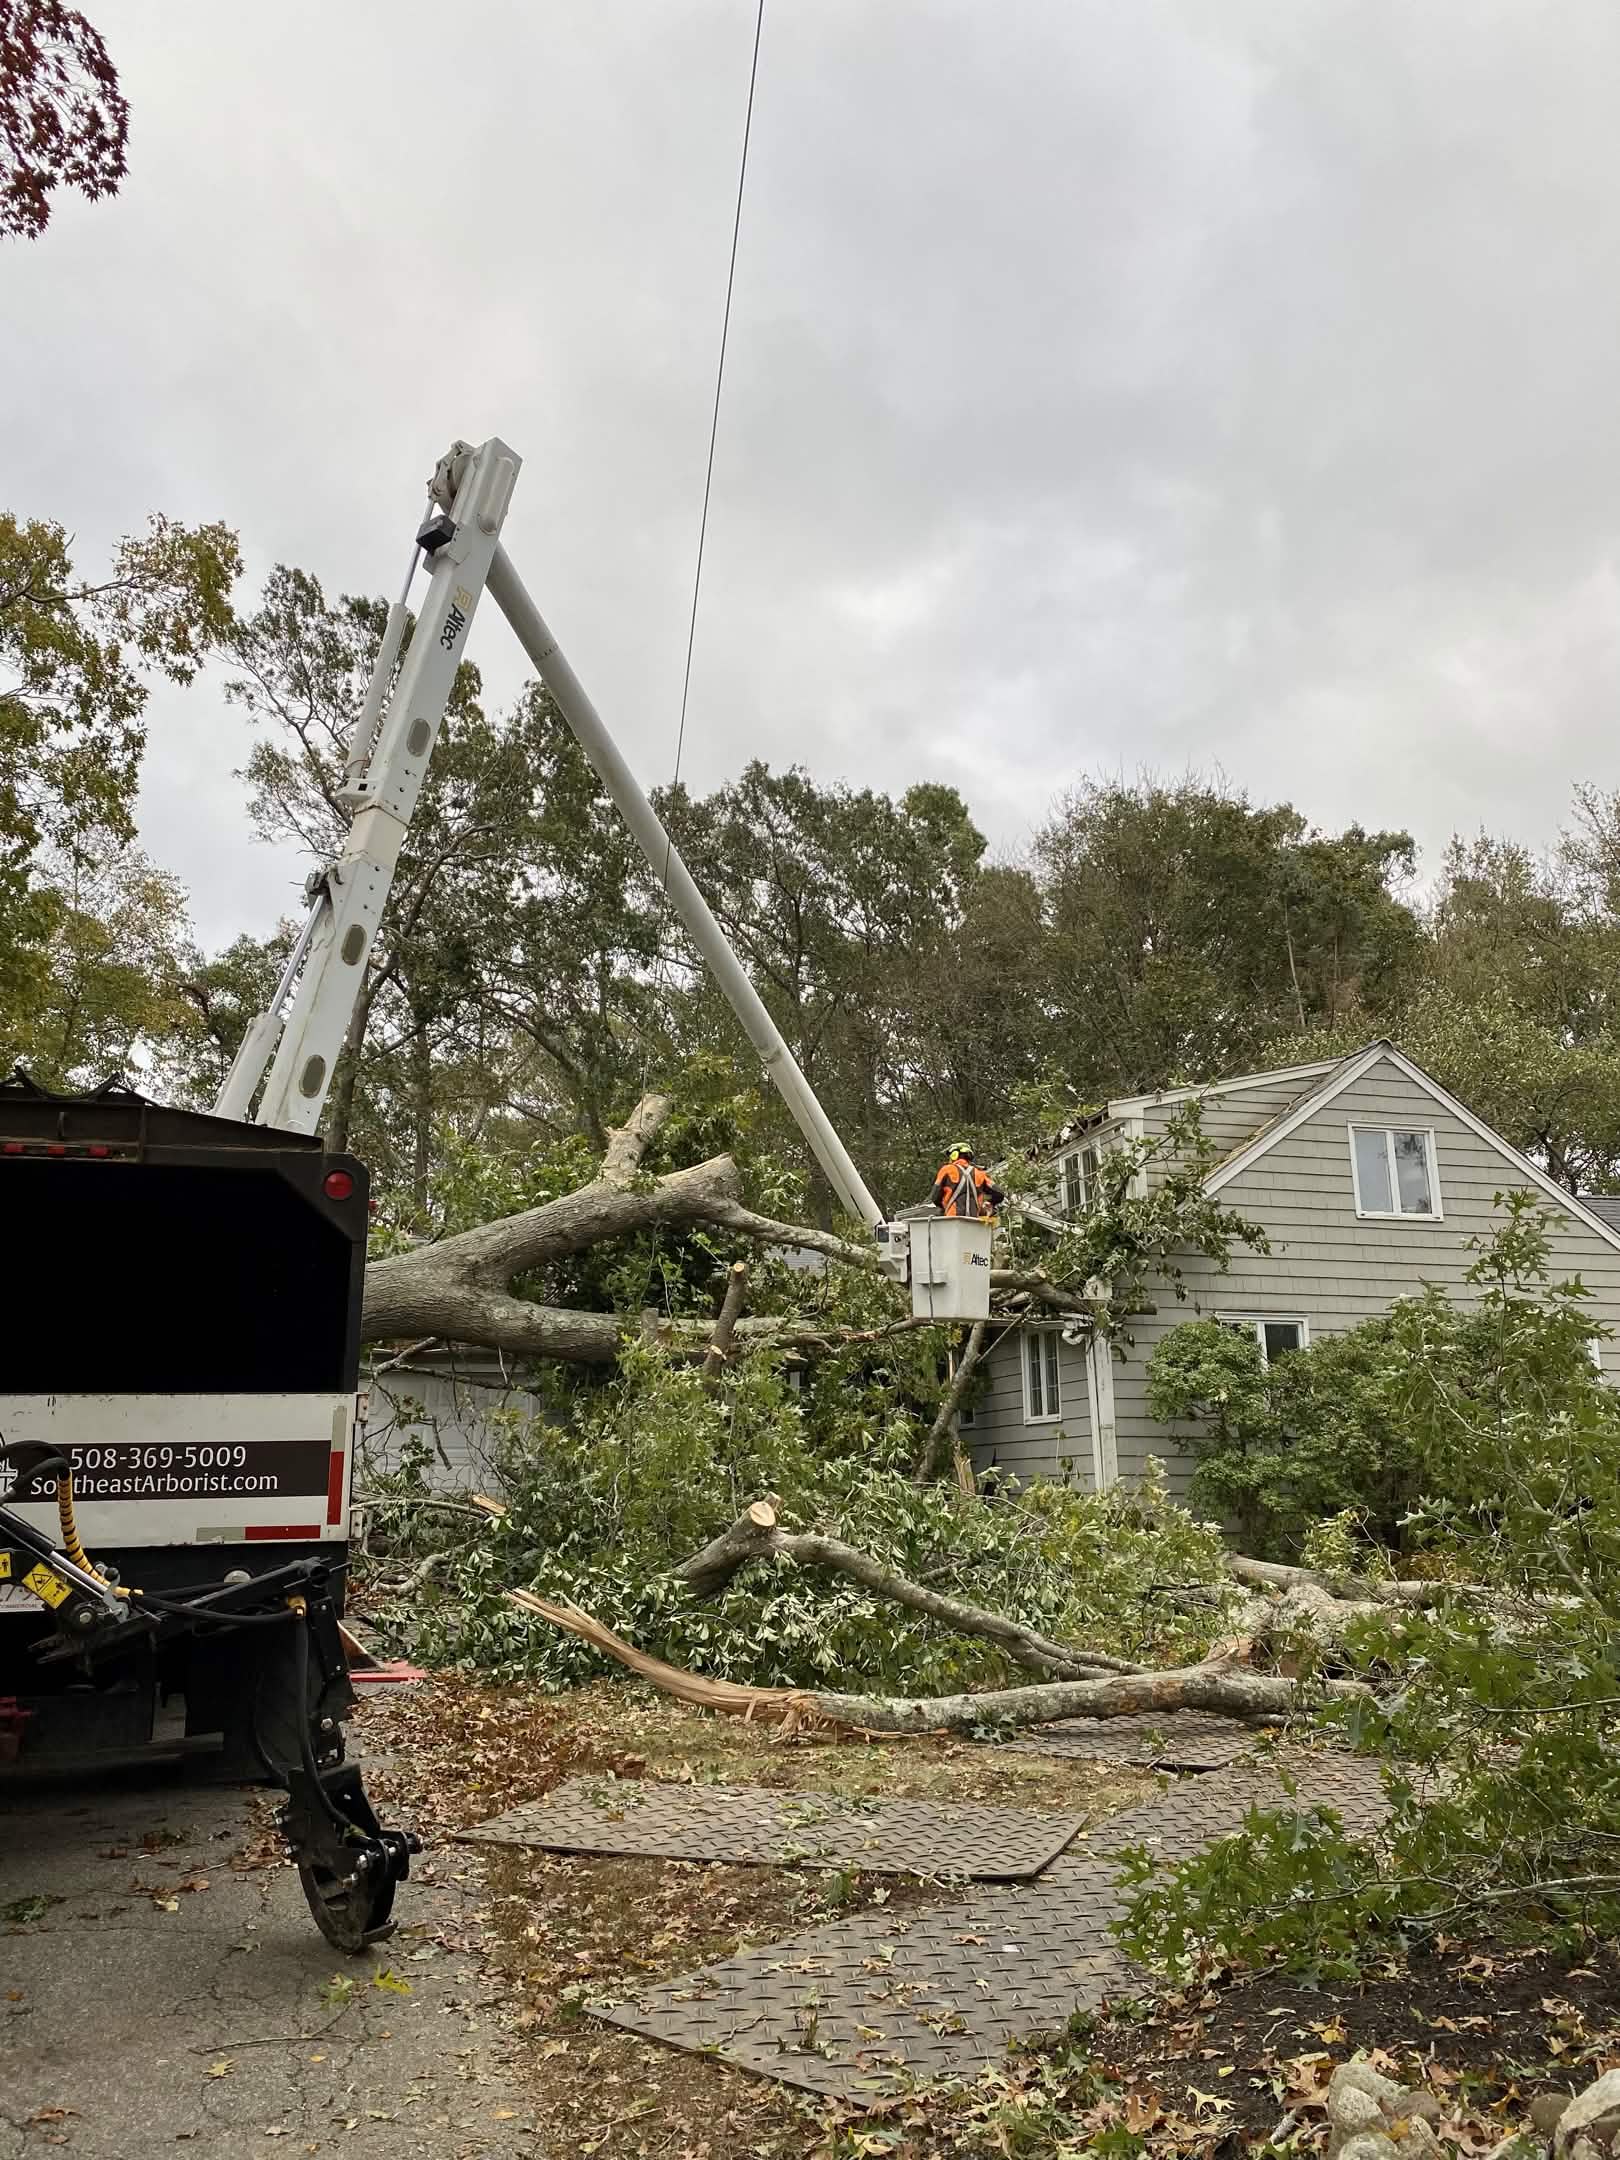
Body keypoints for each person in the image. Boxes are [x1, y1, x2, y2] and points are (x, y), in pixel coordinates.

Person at [931, 1144, 1005, 1220]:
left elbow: (935, 1197)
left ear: (954, 1155)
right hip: (974, 1221)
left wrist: (943, 1208)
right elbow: (999, 1194)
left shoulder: (946, 1170)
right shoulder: (980, 1174)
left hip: (952, 1219)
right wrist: (990, 1203)